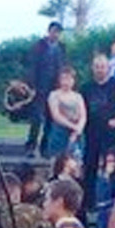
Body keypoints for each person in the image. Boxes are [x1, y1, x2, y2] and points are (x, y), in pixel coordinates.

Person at [79, 53, 115, 218]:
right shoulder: (85, 88)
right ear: (92, 68)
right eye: (97, 66)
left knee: (113, 168)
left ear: (108, 68)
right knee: (89, 167)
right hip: (91, 133)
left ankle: (114, 201)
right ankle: (89, 204)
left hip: (110, 134)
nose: (100, 69)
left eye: (102, 66)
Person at [23, 22, 66, 157]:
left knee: (50, 118)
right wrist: (32, 86)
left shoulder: (61, 48)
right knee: (36, 118)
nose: (56, 34)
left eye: (58, 32)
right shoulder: (39, 46)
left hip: (53, 89)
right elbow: (32, 66)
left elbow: (62, 68)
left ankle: (45, 148)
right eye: (54, 31)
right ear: (49, 31)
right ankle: (30, 146)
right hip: (40, 87)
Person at [43, 65, 85, 159]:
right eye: (64, 79)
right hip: (60, 132)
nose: (66, 82)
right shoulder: (54, 95)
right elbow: (56, 116)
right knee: (58, 161)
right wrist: (72, 126)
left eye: (69, 79)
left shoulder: (78, 96)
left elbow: (83, 116)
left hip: (76, 133)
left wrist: (78, 129)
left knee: (76, 161)